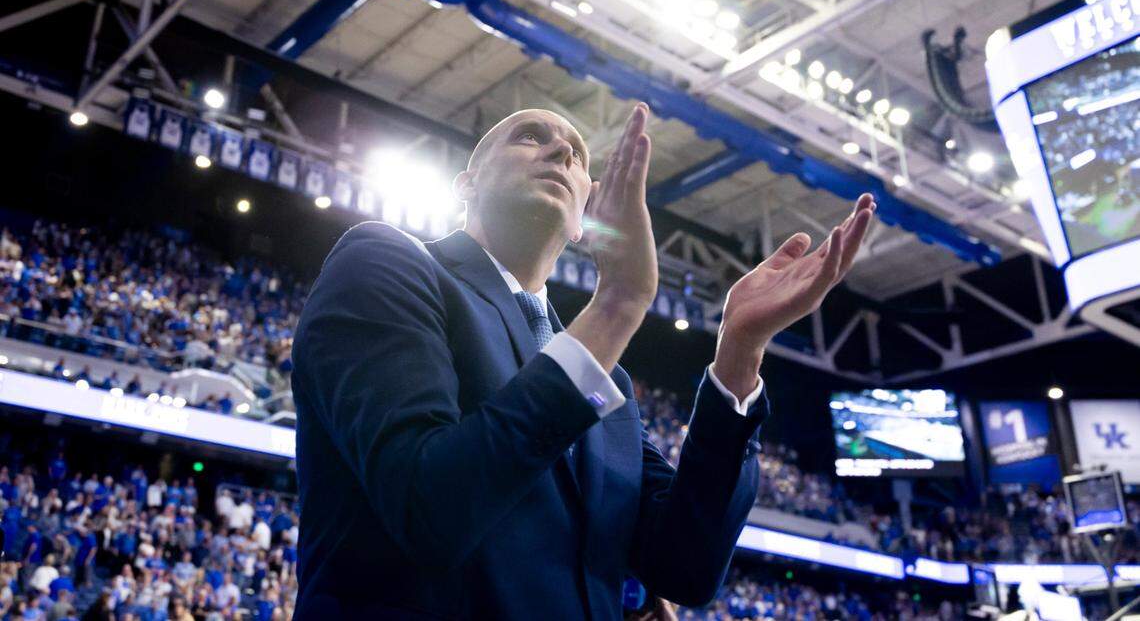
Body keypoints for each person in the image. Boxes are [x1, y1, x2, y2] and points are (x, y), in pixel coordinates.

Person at [291, 104, 875, 618]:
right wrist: (619, 301)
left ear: (580, 226)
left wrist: (740, 351)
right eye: (529, 136)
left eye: (575, 155)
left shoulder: (606, 379)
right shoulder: (386, 264)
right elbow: (429, 508)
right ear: (466, 185)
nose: (562, 149)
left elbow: (689, 569)